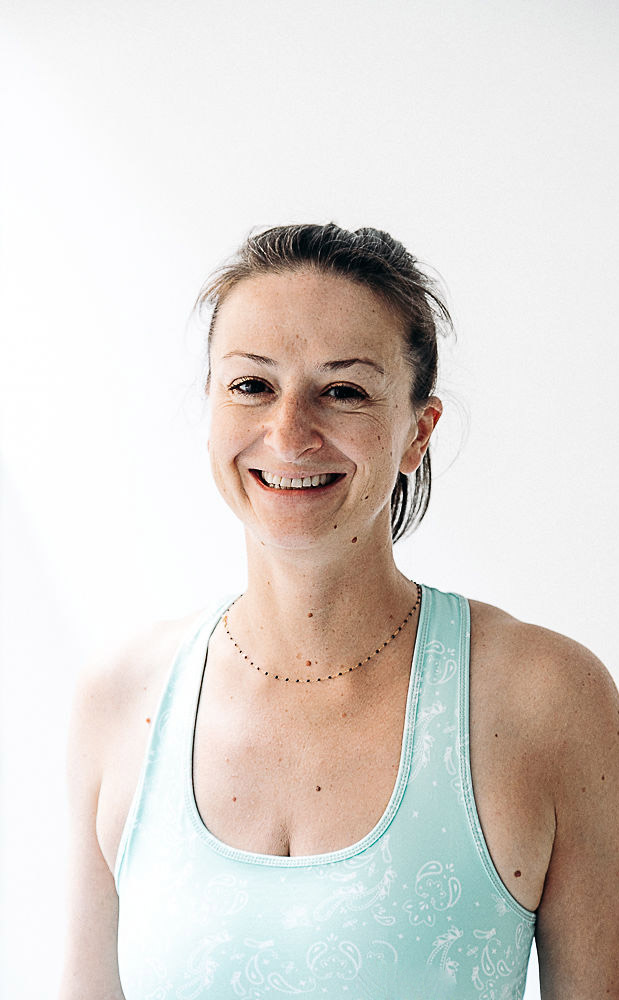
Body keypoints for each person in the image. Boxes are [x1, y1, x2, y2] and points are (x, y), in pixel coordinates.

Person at [59, 223, 619, 1000]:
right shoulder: (123, 698)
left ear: (417, 433)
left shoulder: (545, 697)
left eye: (344, 391)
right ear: (211, 408)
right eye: (251, 386)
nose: (289, 434)